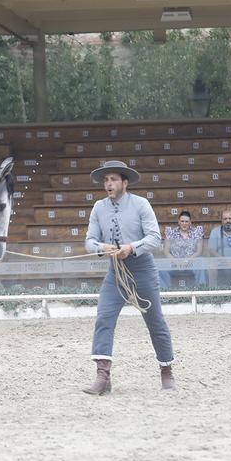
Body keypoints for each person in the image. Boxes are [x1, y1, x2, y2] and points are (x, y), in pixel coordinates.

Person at [82, 160, 175, 396]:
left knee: (155, 322)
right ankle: (103, 375)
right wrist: (103, 247)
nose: (108, 184)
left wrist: (131, 248)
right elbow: (89, 241)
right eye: (106, 180)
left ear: (124, 182)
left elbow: (155, 238)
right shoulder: (98, 208)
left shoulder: (141, 204)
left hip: (142, 269)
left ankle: (166, 369)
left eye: (113, 179)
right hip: (115, 272)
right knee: (104, 318)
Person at [159, 211, 207, 288]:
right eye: (182, 221)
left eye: (186, 221)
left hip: (191, 262)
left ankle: (201, 290)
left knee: (201, 262)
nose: (184, 223)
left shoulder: (197, 232)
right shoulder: (171, 232)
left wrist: (187, 261)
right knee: (159, 266)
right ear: (178, 222)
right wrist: (176, 261)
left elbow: (199, 251)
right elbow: (166, 251)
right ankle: (167, 291)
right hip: (174, 263)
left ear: (190, 222)